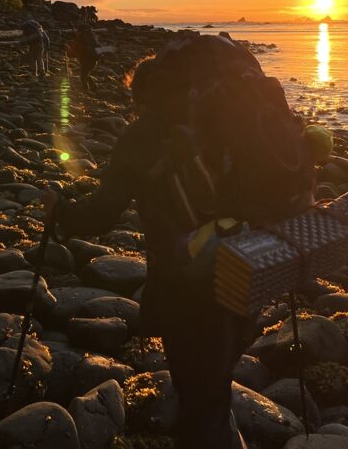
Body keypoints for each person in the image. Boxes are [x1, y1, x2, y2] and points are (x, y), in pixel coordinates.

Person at [43, 36, 276, 448]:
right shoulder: (231, 127)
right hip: (248, 275)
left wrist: (60, 213)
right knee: (214, 384)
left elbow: (101, 214)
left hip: (188, 287)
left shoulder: (142, 136)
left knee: (202, 402)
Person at [67, 22, 99, 92]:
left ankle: (86, 89)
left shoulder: (81, 37)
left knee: (83, 75)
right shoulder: (91, 36)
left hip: (87, 59)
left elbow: (77, 46)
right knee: (86, 74)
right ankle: (93, 88)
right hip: (93, 59)